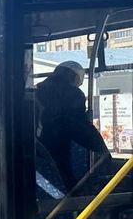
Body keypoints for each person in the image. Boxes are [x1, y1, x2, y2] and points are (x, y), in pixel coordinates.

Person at [36, 60, 110, 189]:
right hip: (60, 145)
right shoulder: (72, 94)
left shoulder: (37, 89)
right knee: (67, 181)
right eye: (78, 82)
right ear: (74, 76)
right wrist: (101, 149)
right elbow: (79, 127)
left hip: (38, 147)